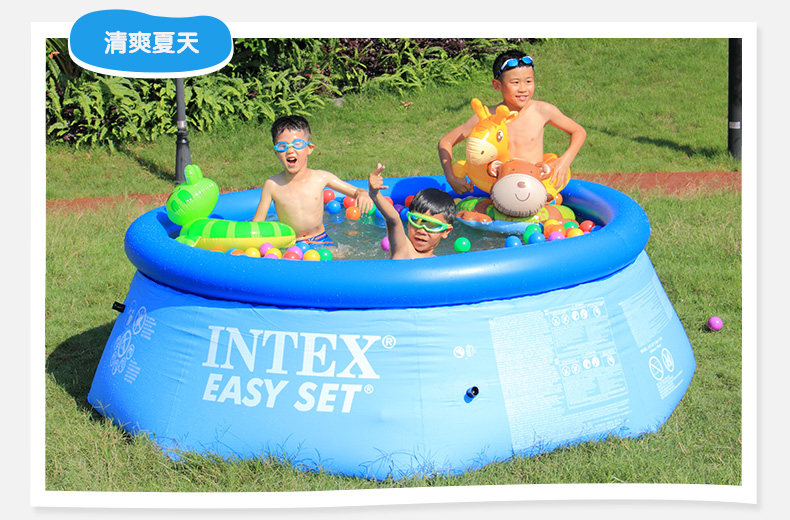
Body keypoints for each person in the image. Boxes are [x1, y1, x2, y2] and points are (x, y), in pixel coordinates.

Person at [438, 50, 586, 195]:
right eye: (515, 82)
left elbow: (578, 131)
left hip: (533, 184)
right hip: (501, 188)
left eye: (528, 81)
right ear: (497, 85)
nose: (523, 89)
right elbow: (446, 142)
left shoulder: (542, 111)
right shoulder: (487, 117)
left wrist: (565, 161)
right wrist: (451, 178)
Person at [252, 115, 374, 246]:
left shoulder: (321, 178)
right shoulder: (272, 185)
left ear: (309, 148)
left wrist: (363, 194)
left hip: (321, 240)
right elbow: (257, 224)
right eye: (283, 146)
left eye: (297, 144)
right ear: (276, 152)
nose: (290, 151)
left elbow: (357, 192)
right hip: (292, 245)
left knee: (339, 255)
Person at [368, 163, 455, 259]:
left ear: (446, 231)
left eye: (431, 225)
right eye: (416, 220)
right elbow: (393, 220)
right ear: (409, 222)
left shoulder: (441, 262)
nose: (421, 230)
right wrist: (375, 194)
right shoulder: (404, 251)